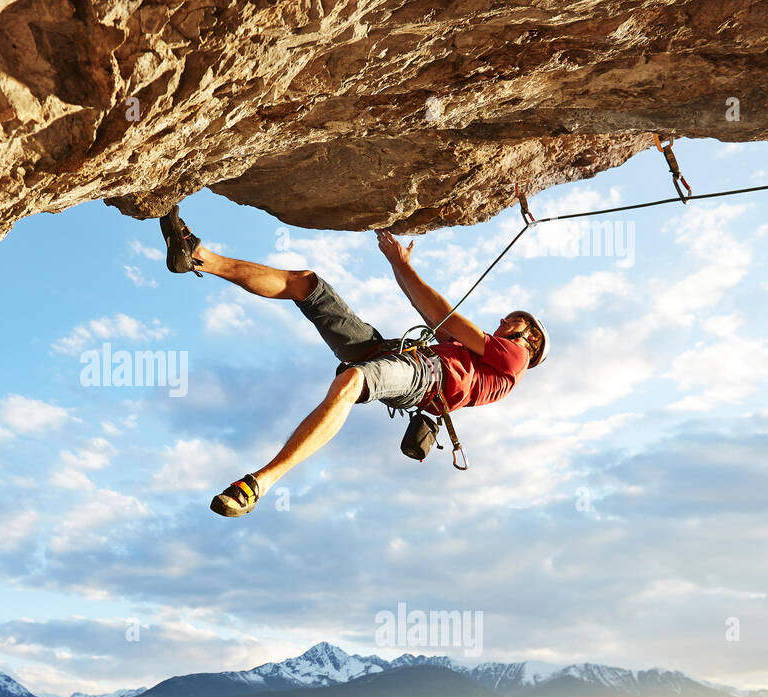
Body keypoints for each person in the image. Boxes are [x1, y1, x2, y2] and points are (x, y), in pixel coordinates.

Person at [158, 206, 548, 516]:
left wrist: (403, 266)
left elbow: (442, 311)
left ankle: (261, 483)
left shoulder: (515, 357)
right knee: (307, 285)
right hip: (396, 355)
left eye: (512, 320)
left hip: (422, 376)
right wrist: (397, 261)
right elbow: (429, 311)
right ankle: (196, 256)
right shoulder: (482, 355)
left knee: (351, 383)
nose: (501, 321)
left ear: (531, 336)